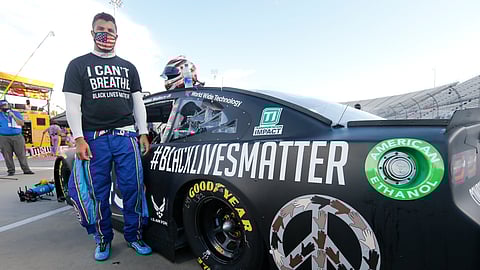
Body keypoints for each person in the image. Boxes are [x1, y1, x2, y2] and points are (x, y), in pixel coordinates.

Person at [62, 12, 151, 261]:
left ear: (116, 35)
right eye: (100, 29)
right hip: (94, 138)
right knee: (98, 192)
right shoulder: (78, 65)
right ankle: (103, 238)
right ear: (92, 33)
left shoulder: (129, 67)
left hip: (126, 136)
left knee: (132, 187)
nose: (106, 34)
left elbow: (138, 103)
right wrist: (79, 138)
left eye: (110, 30)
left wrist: (142, 132)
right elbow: (72, 105)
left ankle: (134, 236)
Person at [0, 100, 34, 176]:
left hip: (17, 136)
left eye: (5, 105)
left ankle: (26, 169)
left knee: (21, 153)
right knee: (7, 154)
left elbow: (21, 123)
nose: (4, 107)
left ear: (9, 105)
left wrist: (13, 116)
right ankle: (11, 170)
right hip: (4, 137)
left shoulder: (16, 113)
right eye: (2, 106)